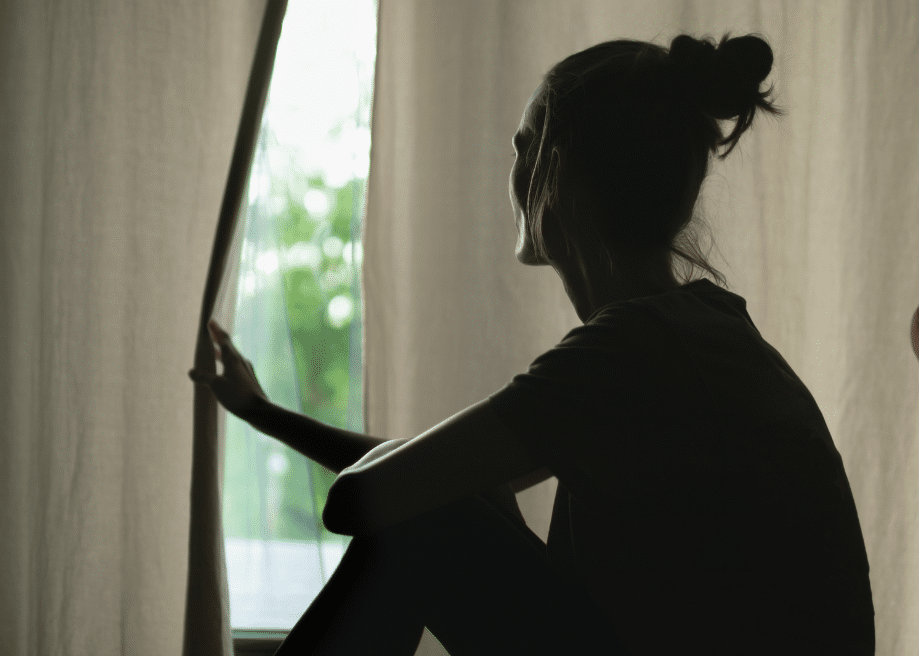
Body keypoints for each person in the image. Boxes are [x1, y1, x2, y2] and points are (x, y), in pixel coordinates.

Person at [191, 33, 875, 656]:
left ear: (554, 160)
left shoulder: (632, 351)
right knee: (452, 499)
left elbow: (364, 500)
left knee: (425, 518)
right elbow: (439, 476)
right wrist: (262, 413)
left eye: (522, 144)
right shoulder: (690, 333)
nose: (511, 169)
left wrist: (289, 427)